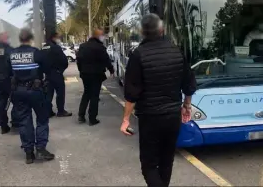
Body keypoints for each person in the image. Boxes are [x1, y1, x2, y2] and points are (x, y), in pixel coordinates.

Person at [120, 13, 196, 187]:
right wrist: (187, 106)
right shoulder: (177, 51)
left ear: (142, 32)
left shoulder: (138, 55)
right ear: (162, 30)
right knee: (166, 160)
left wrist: (125, 120)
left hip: (150, 118)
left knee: (148, 164)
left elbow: (131, 93)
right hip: (172, 116)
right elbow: (189, 83)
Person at [10, 28, 54, 164]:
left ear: (20, 39)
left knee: (24, 121)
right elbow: (48, 69)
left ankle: (29, 153)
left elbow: (8, 72)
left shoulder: (12, 54)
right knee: (42, 119)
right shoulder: (36, 53)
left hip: (18, 91)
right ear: (30, 39)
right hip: (35, 91)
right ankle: (40, 148)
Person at [76, 28, 114, 125]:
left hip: (85, 74)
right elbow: (106, 60)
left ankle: (81, 115)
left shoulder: (83, 46)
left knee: (86, 93)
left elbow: (79, 60)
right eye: (102, 35)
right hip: (96, 75)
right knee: (94, 96)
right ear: (98, 36)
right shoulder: (100, 47)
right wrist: (111, 70)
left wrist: (81, 71)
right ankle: (92, 119)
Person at [0, 32, 19, 134]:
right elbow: (13, 63)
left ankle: (3, 126)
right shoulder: (9, 50)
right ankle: (15, 122)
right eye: (7, 38)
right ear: (4, 39)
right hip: (8, 79)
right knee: (16, 101)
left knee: (1, 103)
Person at [42, 32, 72, 117]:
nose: (59, 39)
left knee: (48, 94)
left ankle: (48, 111)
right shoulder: (56, 47)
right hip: (56, 73)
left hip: (47, 74)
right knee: (60, 93)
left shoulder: (44, 47)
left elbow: (41, 60)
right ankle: (61, 111)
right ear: (53, 38)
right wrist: (60, 71)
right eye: (58, 37)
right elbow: (64, 61)